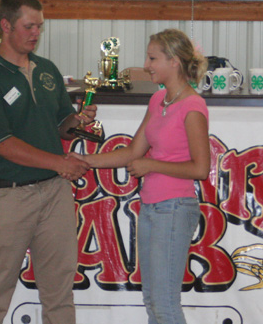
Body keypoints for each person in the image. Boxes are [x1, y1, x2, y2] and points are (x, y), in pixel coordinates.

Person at [0, 0, 97, 324]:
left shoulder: (47, 69)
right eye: (29, 26)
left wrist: (76, 122)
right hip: (7, 196)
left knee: (60, 293)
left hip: (53, 193)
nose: (36, 33)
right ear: (6, 25)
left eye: (40, 26)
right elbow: (0, 143)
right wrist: (60, 163)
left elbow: (60, 126)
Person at [69, 28, 210, 324]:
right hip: (152, 208)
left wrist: (152, 166)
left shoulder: (192, 106)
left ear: (174, 61)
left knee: (164, 304)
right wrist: (86, 160)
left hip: (174, 208)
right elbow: (134, 151)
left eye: (152, 58)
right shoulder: (159, 100)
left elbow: (200, 168)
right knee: (152, 301)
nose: (146, 65)